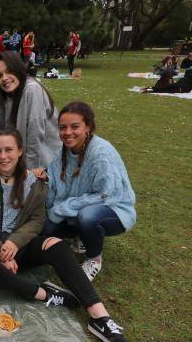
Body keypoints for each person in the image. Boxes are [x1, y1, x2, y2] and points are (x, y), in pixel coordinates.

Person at [0, 128, 133, 342]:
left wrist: (13, 244)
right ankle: (46, 294)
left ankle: (99, 317)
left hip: (19, 246)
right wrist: (0, 251)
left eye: (9, 150)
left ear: (20, 151)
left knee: (56, 244)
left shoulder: (34, 182)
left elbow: (36, 220)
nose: (3, 156)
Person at [39, 102, 136, 283]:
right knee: (46, 231)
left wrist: (62, 208)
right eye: (62, 127)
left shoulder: (101, 152)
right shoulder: (64, 151)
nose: (67, 132)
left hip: (114, 209)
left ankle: (94, 259)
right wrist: (43, 179)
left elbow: (107, 194)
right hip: (75, 206)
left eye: (75, 127)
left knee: (88, 217)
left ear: (88, 127)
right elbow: (54, 182)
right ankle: (80, 234)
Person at [0, 51, 60, 169]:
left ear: (17, 69)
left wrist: (28, 172)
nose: (4, 78)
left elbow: (35, 134)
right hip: (16, 161)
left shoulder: (31, 90)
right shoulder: (2, 95)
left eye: (8, 71)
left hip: (43, 165)